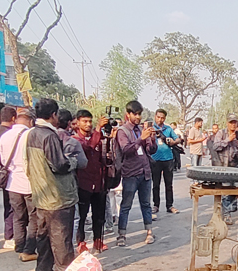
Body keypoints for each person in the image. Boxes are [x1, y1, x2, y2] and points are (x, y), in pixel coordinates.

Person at [26, 99, 78, 271]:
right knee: (61, 239)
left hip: (41, 195)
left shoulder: (32, 134)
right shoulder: (49, 136)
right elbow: (59, 165)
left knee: (44, 237)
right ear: (54, 115)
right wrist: (72, 161)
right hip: (57, 197)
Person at [116, 100, 157, 247]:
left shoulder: (141, 130)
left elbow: (151, 150)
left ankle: (149, 231)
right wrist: (141, 139)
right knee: (126, 205)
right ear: (128, 114)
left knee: (146, 204)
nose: (138, 117)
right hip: (131, 173)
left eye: (139, 114)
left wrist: (152, 139)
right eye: (135, 114)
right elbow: (126, 150)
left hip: (145, 172)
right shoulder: (123, 131)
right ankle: (122, 234)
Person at [0, 109, 38, 262]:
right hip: (29, 182)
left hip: (12, 182)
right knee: (33, 216)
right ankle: (29, 249)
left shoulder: (4, 136)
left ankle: (19, 245)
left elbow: (3, 160)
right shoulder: (31, 135)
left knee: (18, 216)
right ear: (30, 121)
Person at [73, 110, 108, 254]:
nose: (88, 124)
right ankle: (81, 242)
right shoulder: (75, 140)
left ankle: (98, 240)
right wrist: (98, 130)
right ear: (77, 122)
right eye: (84, 121)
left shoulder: (98, 137)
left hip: (98, 182)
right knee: (82, 215)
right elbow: (89, 147)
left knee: (99, 215)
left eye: (90, 121)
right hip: (83, 183)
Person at [212, 118, 238, 223]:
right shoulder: (221, 133)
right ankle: (226, 214)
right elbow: (215, 146)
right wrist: (227, 140)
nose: (233, 125)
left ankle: (230, 209)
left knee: (235, 189)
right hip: (224, 165)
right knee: (226, 190)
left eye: (234, 123)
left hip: (236, 165)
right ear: (227, 123)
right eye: (231, 123)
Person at [0, 107, 17, 249]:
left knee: (8, 205)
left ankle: (9, 235)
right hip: (12, 174)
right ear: (13, 118)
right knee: (14, 207)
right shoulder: (11, 134)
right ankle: (10, 235)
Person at [150, 109, 180, 216]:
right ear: (155, 116)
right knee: (156, 184)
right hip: (155, 159)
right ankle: (156, 205)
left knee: (169, 184)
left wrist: (172, 141)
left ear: (165, 118)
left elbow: (178, 140)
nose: (160, 119)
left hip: (168, 159)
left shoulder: (168, 129)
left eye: (162, 117)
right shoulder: (150, 128)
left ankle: (169, 205)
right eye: (158, 117)